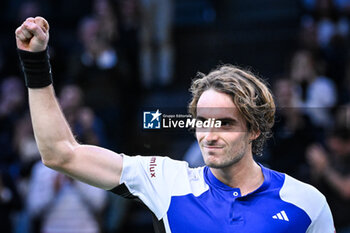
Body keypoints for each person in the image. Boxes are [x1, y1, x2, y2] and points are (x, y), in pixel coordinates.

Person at [15, 16, 335, 232]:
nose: (209, 135)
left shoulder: (306, 203)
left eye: (225, 123)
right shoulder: (165, 180)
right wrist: (35, 61)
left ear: (254, 129)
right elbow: (60, 153)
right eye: (202, 121)